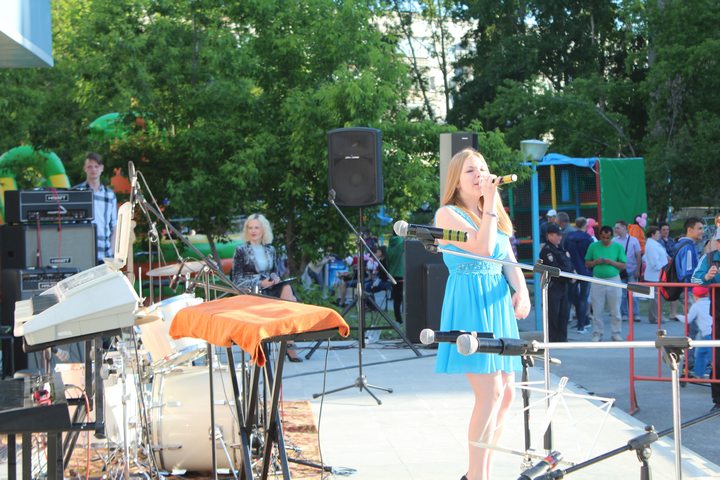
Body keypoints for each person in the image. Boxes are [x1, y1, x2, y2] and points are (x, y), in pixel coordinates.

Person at [434, 148, 530, 480]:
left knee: (506, 393)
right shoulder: (448, 214)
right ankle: (477, 476)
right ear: (456, 181)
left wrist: (522, 290)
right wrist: (489, 203)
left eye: (483, 169)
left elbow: (507, 258)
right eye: (471, 171)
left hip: (496, 301)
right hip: (470, 301)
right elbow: (483, 248)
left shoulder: (493, 215)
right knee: (489, 392)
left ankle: (480, 471)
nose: (480, 176)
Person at [231, 213, 302, 362]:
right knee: (289, 301)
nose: (253, 231)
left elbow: (274, 271)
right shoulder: (241, 250)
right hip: (253, 291)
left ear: (263, 230)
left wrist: (275, 278)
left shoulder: (271, 249)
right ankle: (289, 343)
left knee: (286, 287)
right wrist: (260, 282)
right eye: (250, 228)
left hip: (271, 287)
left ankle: (288, 341)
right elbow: (236, 280)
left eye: (256, 227)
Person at [73, 152, 117, 264]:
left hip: (105, 253)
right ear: (85, 169)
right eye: (90, 166)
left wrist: (112, 251)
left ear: (102, 168)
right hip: (82, 252)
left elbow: (115, 226)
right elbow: (70, 225)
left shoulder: (109, 195)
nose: (93, 170)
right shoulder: (77, 193)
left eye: (96, 166)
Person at [585, 225, 627, 342]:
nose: (605, 240)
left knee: (615, 309)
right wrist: (595, 262)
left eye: (608, 238)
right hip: (597, 280)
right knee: (597, 309)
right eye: (603, 237)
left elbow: (623, 265)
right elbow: (587, 263)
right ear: (599, 236)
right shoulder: (593, 246)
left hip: (614, 279)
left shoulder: (618, 247)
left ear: (611, 237)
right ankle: (597, 333)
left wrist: (610, 262)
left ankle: (616, 333)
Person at [690, 248, 720, 411]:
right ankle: (718, 400)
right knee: (718, 358)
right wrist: (707, 277)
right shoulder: (709, 258)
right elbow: (695, 279)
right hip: (718, 315)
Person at [540, 223, 574, 342]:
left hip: (564, 286)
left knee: (564, 314)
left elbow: (569, 264)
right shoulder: (547, 251)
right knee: (554, 314)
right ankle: (554, 339)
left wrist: (572, 274)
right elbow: (554, 268)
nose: (560, 237)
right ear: (549, 236)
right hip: (554, 286)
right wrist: (569, 274)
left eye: (560, 235)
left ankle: (562, 338)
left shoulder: (561, 249)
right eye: (557, 235)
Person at [673, 217, 706, 322]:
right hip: (689, 289)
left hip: (686, 288)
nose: (702, 231)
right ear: (690, 230)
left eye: (703, 228)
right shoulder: (688, 247)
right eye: (699, 228)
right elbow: (688, 272)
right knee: (696, 322)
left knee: (694, 322)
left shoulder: (684, 245)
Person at [565, 217, 594, 333]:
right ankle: (582, 325)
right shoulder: (588, 239)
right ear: (585, 225)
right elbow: (591, 255)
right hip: (585, 271)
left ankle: (582, 321)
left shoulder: (569, 237)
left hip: (572, 270)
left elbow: (565, 252)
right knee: (583, 298)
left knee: (573, 297)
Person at [613, 221, 642, 322]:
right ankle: (624, 313)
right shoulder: (614, 241)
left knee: (634, 294)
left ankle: (636, 314)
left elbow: (638, 256)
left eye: (617, 227)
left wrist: (638, 270)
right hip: (620, 271)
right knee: (622, 294)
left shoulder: (634, 240)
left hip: (632, 270)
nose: (615, 229)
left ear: (624, 228)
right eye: (615, 228)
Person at [643, 226, 668, 324]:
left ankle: (658, 316)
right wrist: (663, 268)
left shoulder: (654, 244)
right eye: (658, 233)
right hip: (655, 276)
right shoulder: (651, 245)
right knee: (655, 299)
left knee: (659, 298)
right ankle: (654, 317)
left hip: (659, 275)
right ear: (652, 234)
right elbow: (654, 262)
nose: (659, 235)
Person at [686, 286, 712, 378]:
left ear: (695, 296)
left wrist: (678, 316)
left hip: (708, 333)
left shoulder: (696, 306)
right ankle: (698, 374)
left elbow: (688, 319)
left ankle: (705, 375)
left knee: (712, 356)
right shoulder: (710, 302)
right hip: (710, 332)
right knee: (701, 353)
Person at [386, 233, 405, 324]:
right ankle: (407, 319)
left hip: (393, 275)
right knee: (406, 298)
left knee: (396, 299)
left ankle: (398, 319)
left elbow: (387, 262)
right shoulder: (402, 243)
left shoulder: (389, 246)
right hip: (402, 274)